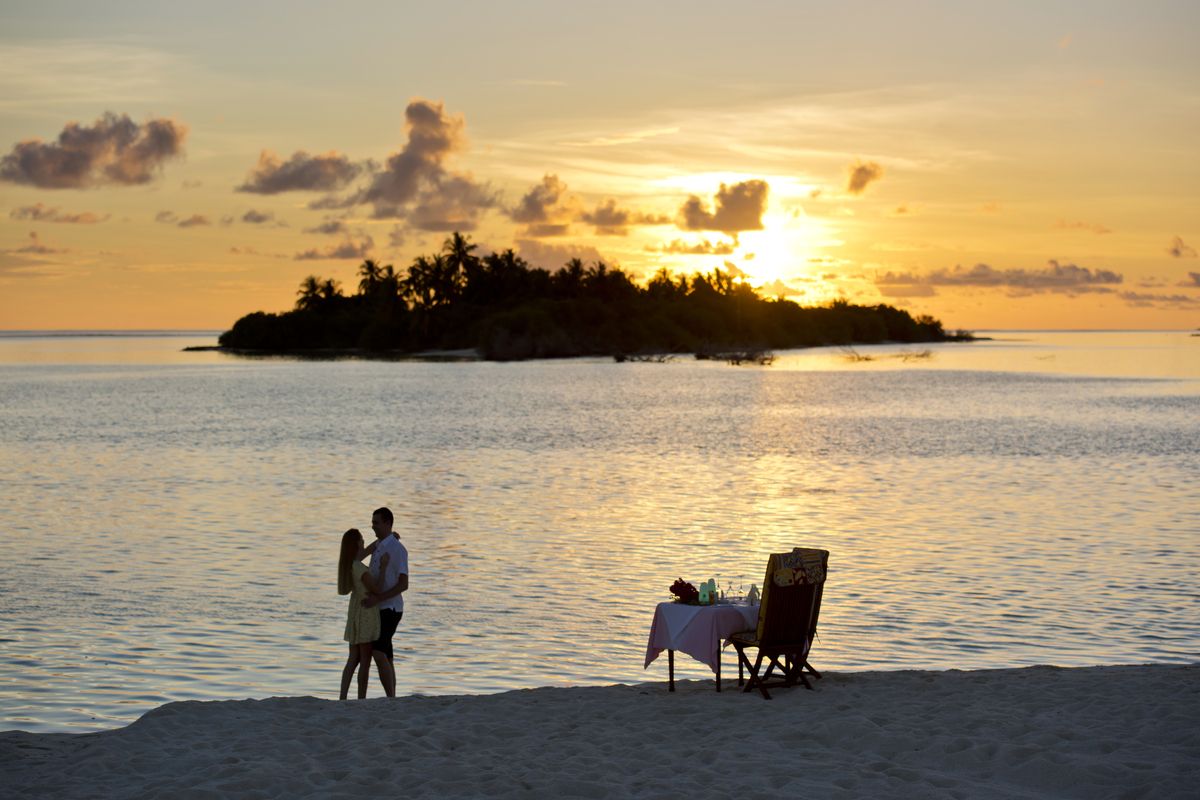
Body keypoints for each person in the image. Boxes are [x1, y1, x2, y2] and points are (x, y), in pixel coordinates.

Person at [337, 528, 395, 700]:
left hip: (355, 613)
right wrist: (383, 568)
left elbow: (367, 550)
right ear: (356, 543)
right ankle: (361, 698)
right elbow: (377, 589)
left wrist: (385, 540)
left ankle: (343, 696)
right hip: (366, 614)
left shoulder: (351, 565)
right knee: (365, 661)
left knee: (352, 658)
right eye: (361, 539)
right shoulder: (360, 568)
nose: (363, 541)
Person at [361, 506, 408, 697]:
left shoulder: (398, 549)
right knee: (387, 655)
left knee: (378, 653)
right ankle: (392, 697)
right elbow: (360, 557)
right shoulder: (380, 544)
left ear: (388, 523)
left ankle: (391, 698)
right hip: (378, 607)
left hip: (391, 608)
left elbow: (404, 584)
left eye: (376, 523)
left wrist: (378, 598)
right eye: (372, 522)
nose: (372, 526)